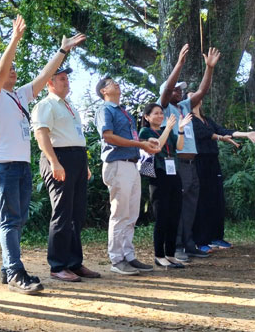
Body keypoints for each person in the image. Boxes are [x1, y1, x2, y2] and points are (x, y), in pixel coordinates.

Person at [0, 19, 90, 292]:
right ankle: (14, 272)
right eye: (8, 69)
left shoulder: (19, 96)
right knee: (10, 219)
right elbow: (3, 68)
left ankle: (7, 266)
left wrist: (63, 51)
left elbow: (46, 75)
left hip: (20, 166)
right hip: (1, 165)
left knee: (18, 220)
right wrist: (15, 39)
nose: (14, 72)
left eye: (14, 69)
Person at [32, 60, 102, 283]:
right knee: (62, 213)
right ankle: (58, 265)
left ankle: (74, 263)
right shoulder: (46, 104)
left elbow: (75, 137)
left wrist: (85, 165)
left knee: (77, 213)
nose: (66, 81)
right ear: (49, 83)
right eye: (61, 78)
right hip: (59, 158)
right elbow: (41, 134)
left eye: (67, 78)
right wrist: (54, 162)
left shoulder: (69, 106)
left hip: (77, 159)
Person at [159, 44, 221, 259]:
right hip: (177, 163)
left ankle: (188, 243)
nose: (179, 91)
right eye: (176, 88)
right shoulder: (164, 105)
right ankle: (176, 246)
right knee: (178, 205)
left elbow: (202, 91)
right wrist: (179, 63)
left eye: (180, 89)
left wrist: (209, 68)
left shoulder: (184, 106)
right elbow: (167, 90)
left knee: (190, 206)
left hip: (192, 164)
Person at [95, 76, 161, 276]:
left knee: (132, 213)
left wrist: (144, 141)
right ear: (103, 92)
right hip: (117, 164)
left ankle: (128, 256)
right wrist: (139, 145)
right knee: (120, 213)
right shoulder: (104, 109)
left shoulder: (123, 111)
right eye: (110, 83)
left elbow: (131, 137)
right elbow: (108, 136)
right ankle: (116, 259)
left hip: (132, 164)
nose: (116, 84)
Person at [190, 97, 255, 251]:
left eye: (197, 96)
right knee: (202, 201)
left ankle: (216, 237)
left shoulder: (206, 119)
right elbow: (202, 133)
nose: (196, 98)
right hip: (199, 161)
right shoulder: (188, 119)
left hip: (213, 161)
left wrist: (246, 134)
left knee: (217, 198)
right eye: (191, 96)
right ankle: (201, 241)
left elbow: (223, 130)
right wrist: (219, 137)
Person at [138, 105, 191, 269]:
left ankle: (170, 254)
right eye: (156, 113)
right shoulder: (145, 133)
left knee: (174, 215)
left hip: (173, 173)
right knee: (162, 216)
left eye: (162, 113)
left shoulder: (168, 131)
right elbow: (156, 148)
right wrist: (168, 128)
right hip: (158, 174)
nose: (160, 116)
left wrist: (180, 130)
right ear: (147, 117)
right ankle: (159, 255)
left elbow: (180, 147)